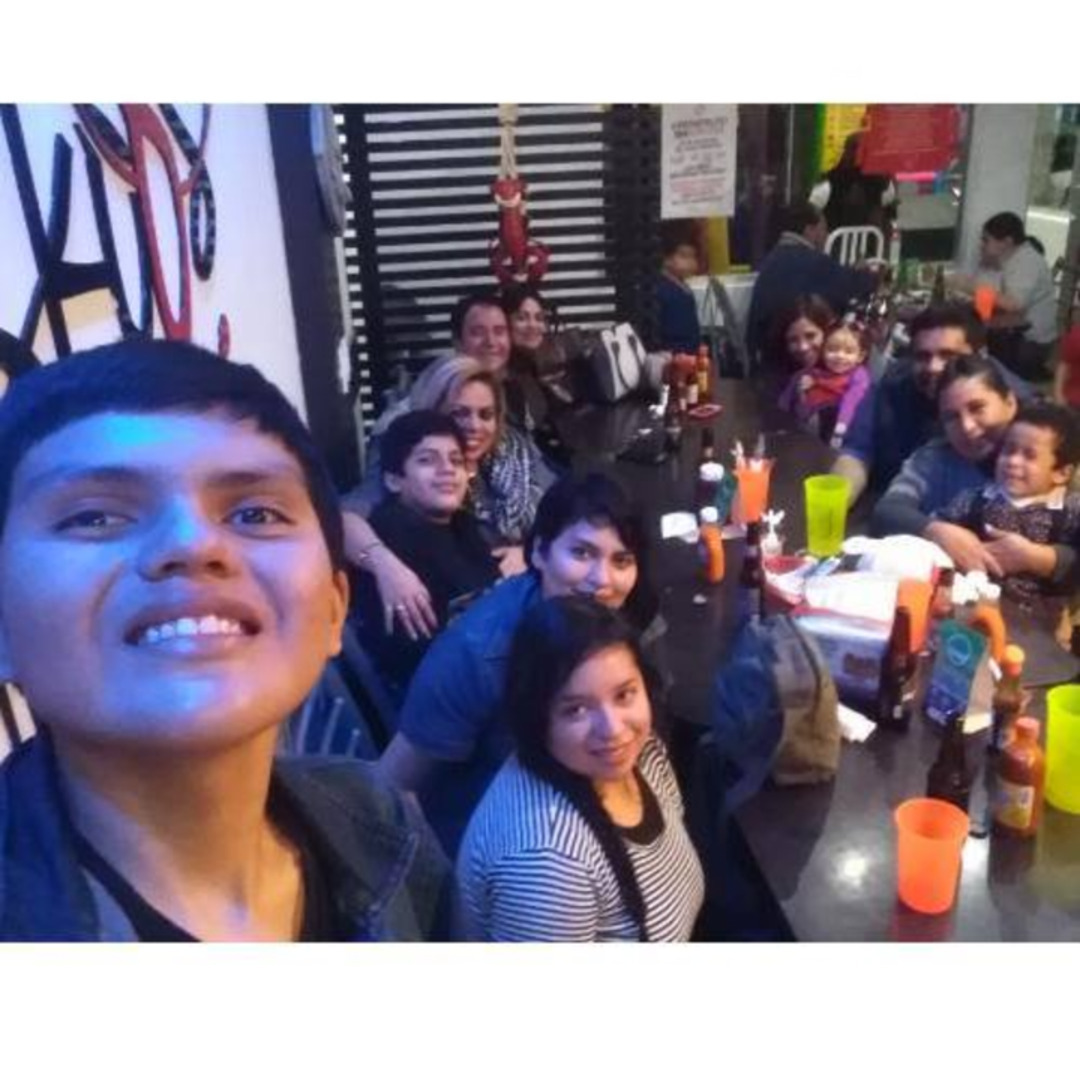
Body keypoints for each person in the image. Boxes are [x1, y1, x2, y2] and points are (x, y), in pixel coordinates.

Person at [0, 340, 451, 941]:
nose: (192, 544)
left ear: (333, 608)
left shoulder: (381, 826)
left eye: (255, 514)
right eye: (95, 517)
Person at [377, 472, 662, 856]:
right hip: (506, 845)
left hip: (587, 805)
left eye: (622, 560)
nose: (603, 581)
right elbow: (393, 785)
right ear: (540, 552)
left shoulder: (619, 618)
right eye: (582, 553)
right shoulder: (477, 653)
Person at [457, 597, 703, 942]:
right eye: (576, 710)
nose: (613, 729)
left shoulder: (642, 752)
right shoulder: (548, 864)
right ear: (537, 718)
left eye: (624, 695)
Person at [872, 355, 1076, 588]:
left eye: (977, 408)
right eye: (952, 417)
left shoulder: (1056, 459)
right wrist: (935, 531)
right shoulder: (932, 459)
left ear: (1010, 403)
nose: (967, 427)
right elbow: (887, 511)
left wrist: (1041, 559)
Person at [350, 410, 500, 700]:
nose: (447, 470)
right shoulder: (393, 533)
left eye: (456, 460)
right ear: (394, 480)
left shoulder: (463, 526)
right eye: (427, 460)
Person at [833, 302, 1030, 503]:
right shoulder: (893, 385)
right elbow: (857, 451)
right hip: (889, 505)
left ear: (981, 356)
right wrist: (835, 501)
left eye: (949, 356)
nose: (933, 367)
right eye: (923, 356)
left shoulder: (1019, 408)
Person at [933, 402, 1080, 606]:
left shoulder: (1070, 509)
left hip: (1040, 616)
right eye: (1009, 450)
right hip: (972, 603)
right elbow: (938, 530)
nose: (1013, 461)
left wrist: (1038, 558)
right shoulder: (975, 499)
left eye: (1029, 455)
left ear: (1061, 473)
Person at [746, 202, 877, 362]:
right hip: (788, 359)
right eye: (823, 229)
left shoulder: (772, 259)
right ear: (810, 230)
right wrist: (866, 273)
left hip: (762, 356)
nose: (826, 235)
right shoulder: (813, 261)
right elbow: (857, 288)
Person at [966, 212, 1058, 381]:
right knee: (968, 323)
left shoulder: (1027, 262)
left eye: (986, 240)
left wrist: (969, 286)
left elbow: (1013, 304)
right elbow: (986, 304)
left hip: (1030, 343)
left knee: (972, 340)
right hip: (1013, 331)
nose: (982, 245)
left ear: (1007, 242)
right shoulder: (1006, 259)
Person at [778, 316, 872, 448]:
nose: (840, 356)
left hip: (837, 437)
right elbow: (786, 401)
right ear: (824, 350)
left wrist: (841, 426)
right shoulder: (810, 374)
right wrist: (801, 393)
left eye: (849, 351)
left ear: (860, 356)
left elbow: (851, 400)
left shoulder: (859, 376)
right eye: (832, 349)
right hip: (802, 434)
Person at [809, 132, 898, 234]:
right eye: (854, 148)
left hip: (846, 233)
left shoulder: (873, 176)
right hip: (847, 231)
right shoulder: (834, 177)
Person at [654, 220, 703, 354]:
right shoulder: (662, 290)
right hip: (676, 357)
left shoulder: (682, 287)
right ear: (666, 258)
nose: (691, 262)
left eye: (694, 256)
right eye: (684, 256)